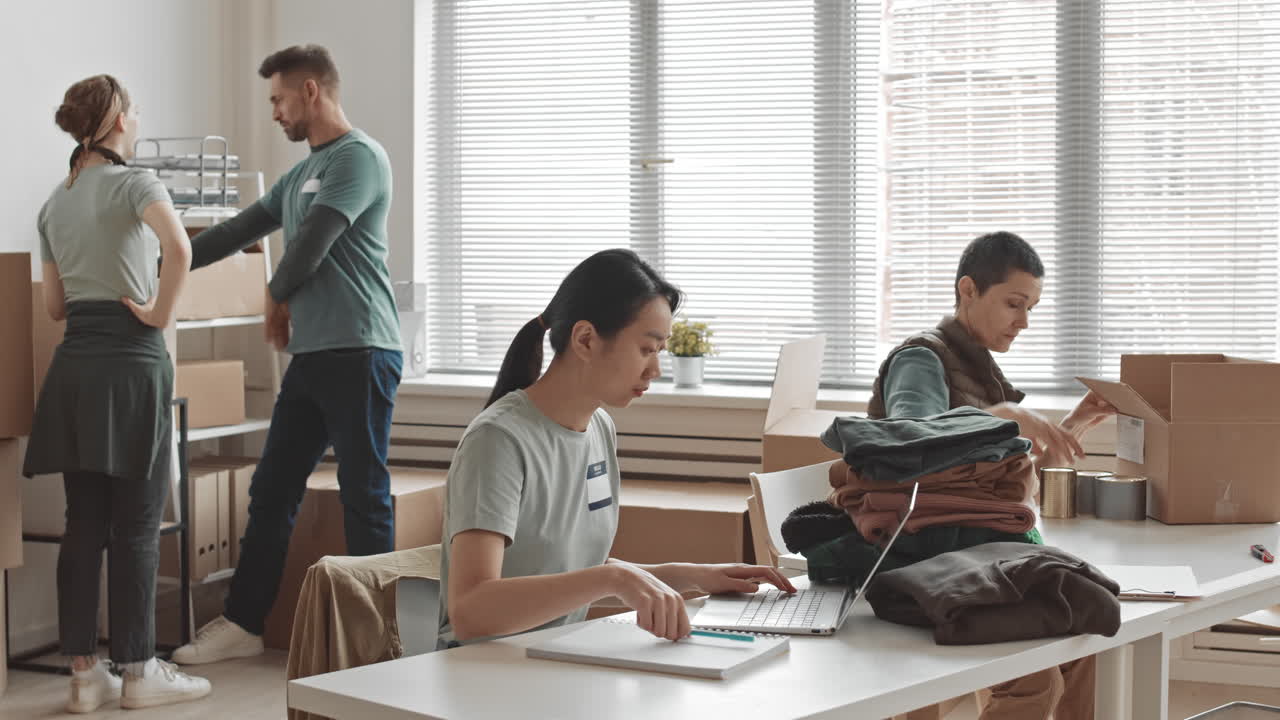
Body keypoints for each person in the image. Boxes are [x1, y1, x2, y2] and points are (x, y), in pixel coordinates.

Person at [171, 44, 403, 665]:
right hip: (314, 355)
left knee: (364, 494)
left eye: (277, 98)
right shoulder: (298, 175)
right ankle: (244, 623)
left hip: (361, 348)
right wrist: (167, 255)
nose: (273, 112)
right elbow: (237, 231)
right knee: (272, 490)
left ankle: (372, 641)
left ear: (309, 91)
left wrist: (276, 297)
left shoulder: (361, 159)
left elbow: (313, 245)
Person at [441, 249, 795, 646]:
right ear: (586, 340)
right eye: (647, 349)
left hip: (555, 657)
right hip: (482, 675)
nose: (655, 370)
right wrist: (613, 577)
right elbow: (471, 612)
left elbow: (566, 569)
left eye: (659, 352)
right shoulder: (498, 440)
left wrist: (691, 576)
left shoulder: (599, 428)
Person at [869, 231, 1115, 720]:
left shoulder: (979, 371)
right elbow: (908, 440)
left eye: (1032, 308)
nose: (1024, 322)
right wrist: (1003, 415)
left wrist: (1073, 425)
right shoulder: (922, 358)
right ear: (968, 291)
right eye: (1014, 304)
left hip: (977, 554)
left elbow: (998, 488)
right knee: (1037, 681)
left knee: (1088, 641)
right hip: (923, 561)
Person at [24, 74, 211, 712]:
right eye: (132, 108)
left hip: (75, 365)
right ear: (115, 120)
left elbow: (54, 306)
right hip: (132, 360)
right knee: (135, 525)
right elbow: (179, 248)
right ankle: (137, 671)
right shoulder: (136, 182)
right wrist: (159, 312)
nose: (137, 116)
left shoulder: (55, 200)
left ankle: (84, 675)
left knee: (84, 523)